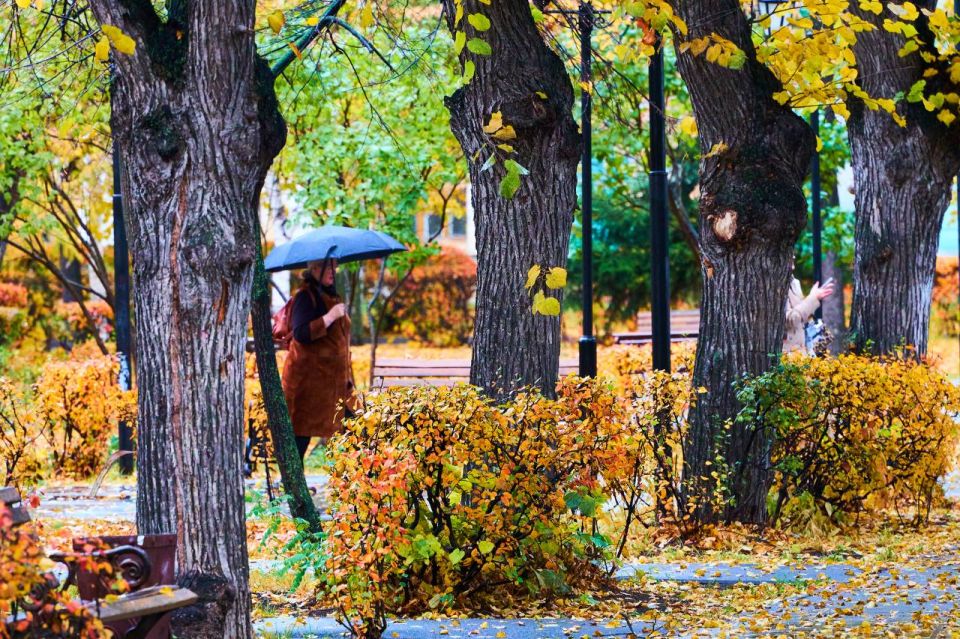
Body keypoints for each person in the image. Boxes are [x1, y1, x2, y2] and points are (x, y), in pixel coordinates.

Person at [281, 258, 357, 460]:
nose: (334, 271)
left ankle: (358, 485)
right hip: (309, 385)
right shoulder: (305, 297)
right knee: (300, 435)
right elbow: (301, 333)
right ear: (315, 269)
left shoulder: (331, 295)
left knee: (356, 428)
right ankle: (293, 487)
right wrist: (330, 316)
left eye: (335, 266)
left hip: (335, 383)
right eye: (329, 266)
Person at [784, 265, 835, 354]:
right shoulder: (774, 285)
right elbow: (790, 319)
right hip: (787, 355)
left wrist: (813, 297)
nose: (793, 266)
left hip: (802, 352)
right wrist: (812, 298)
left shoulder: (795, 282)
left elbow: (800, 314)